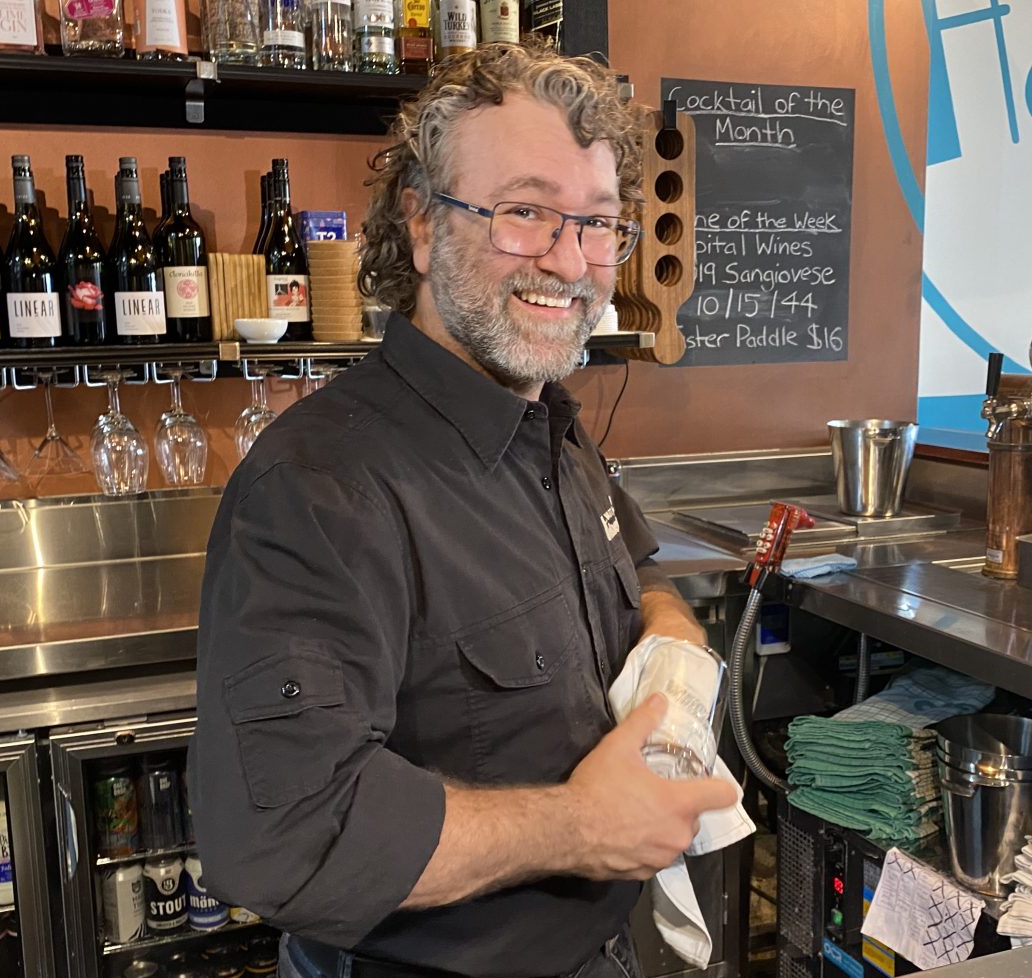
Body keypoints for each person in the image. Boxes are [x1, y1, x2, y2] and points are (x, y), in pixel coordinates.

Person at [191, 39, 738, 978]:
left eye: (598, 222)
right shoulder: (322, 487)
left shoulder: (550, 424)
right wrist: (578, 827)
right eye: (524, 212)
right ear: (418, 222)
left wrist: (674, 647)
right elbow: (282, 838)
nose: (569, 260)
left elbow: (637, 574)